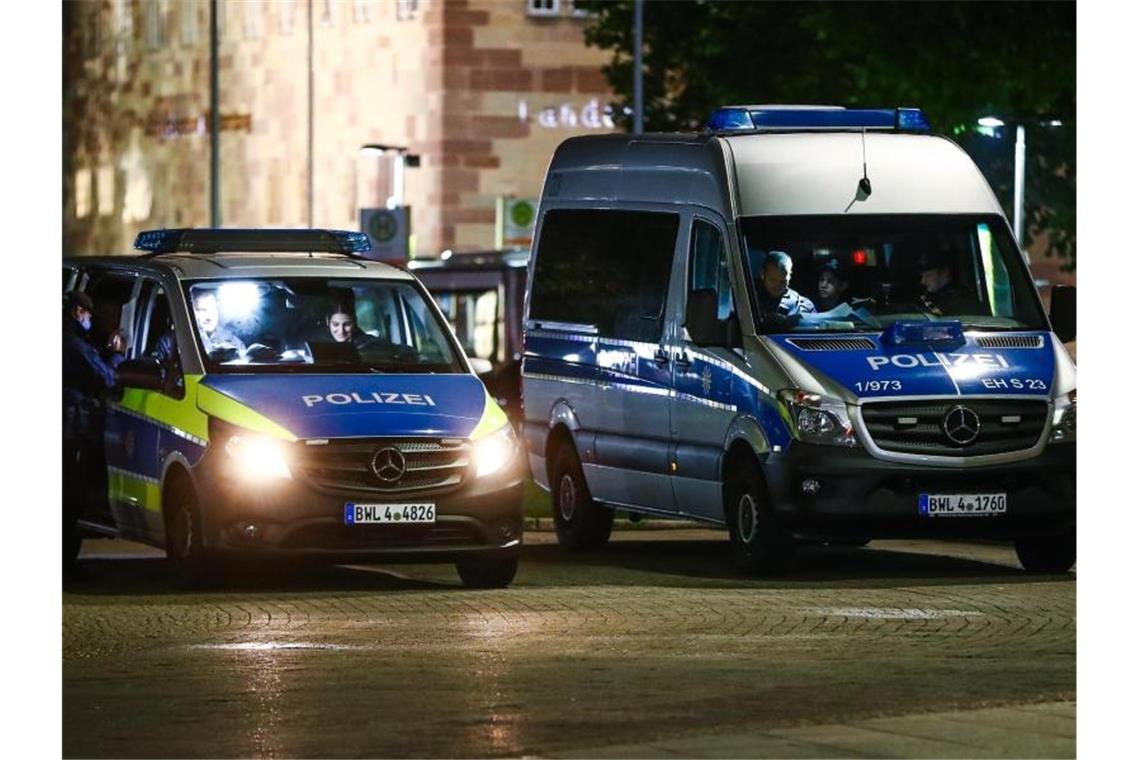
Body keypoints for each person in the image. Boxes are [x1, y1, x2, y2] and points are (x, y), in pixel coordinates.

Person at [63, 291, 126, 556]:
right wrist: (119, 354)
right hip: (71, 428)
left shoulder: (71, 338)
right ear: (79, 312)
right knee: (71, 496)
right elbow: (106, 378)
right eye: (90, 314)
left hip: (70, 424)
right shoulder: (73, 343)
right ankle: (65, 561)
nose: (92, 319)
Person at [755, 250, 816, 328]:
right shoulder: (748, 300)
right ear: (762, 274)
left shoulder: (803, 306)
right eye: (773, 280)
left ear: (789, 276)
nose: (778, 285)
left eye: (783, 281)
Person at [916, 250, 986, 316]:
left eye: (928, 275)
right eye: (922, 276)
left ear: (944, 272)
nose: (923, 281)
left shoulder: (965, 304)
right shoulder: (928, 300)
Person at [191, 290, 246, 355]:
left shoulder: (236, 344)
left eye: (213, 309)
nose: (209, 316)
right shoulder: (184, 340)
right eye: (202, 310)